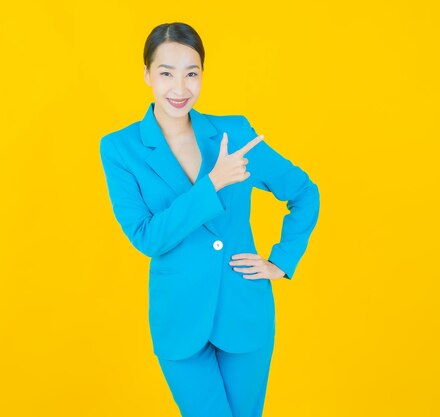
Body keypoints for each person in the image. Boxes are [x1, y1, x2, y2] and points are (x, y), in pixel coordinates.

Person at [99, 21, 320, 417]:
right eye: (166, 73)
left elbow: (304, 193)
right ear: (147, 74)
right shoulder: (120, 148)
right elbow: (147, 236)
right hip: (179, 319)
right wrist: (213, 184)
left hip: (244, 310)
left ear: (202, 75)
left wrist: (281, 261)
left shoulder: (233, 133)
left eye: (191, 73)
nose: (179, 89)